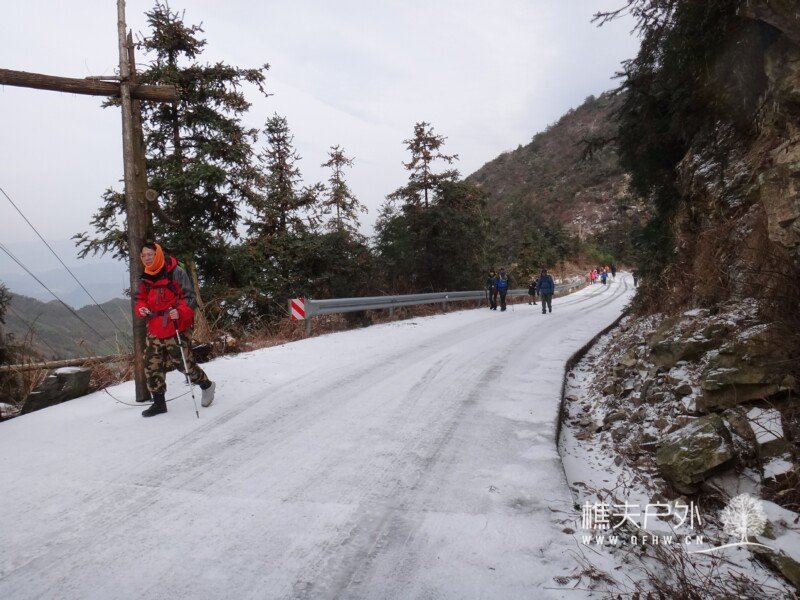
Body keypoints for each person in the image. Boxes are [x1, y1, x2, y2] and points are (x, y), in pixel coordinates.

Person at [135, 242, 215, 417]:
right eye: (143, 255)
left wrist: (179, 312)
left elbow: (190, 298)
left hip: (176, 326)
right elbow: (140, 299)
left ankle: (207, 385)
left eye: (150, 254)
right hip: (155, 328)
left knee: (184, 365)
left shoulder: (176, 272)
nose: (147, 258)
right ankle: (159, 404)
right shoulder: (146, 277)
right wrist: (141, 308)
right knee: (152, 365)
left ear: (157, 254)